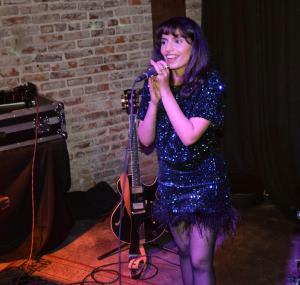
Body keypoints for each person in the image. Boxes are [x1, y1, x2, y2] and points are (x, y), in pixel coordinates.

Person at [137, 17, 238, 285]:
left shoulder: (210, 83)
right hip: (171, 181)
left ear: (195, 46)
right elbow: (145, 139)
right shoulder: (156, 83)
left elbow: (189, 135)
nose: (168, 48)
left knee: (200, 261)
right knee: (182, 252)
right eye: (164, 41)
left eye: (177, 40)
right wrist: (153, 100)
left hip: (205, 182)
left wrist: (166, 93)